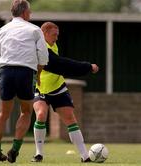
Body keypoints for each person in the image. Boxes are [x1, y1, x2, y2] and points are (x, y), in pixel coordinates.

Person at [0, 0, 48, 163]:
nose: (30, 15)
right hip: (25, 72)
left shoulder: (2, 30)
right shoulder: (35, 30)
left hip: (6, 72)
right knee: (26, 112)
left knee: (3, 113)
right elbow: (43, 57)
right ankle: (14, 150)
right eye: (29, 12)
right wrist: (37, 75)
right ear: (24, 13)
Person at [31, 22, 99, 163]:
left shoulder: (53, 45)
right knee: (41, 114)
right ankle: (39, 154)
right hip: (41, 88)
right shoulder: (39, 48)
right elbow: (61, 64)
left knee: (70, 118)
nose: (56, 38)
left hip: (58, 87)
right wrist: (87, 66)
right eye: (54, 35)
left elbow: (61, 65)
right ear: (44, 33)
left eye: (57, 35)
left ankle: (85, 156)